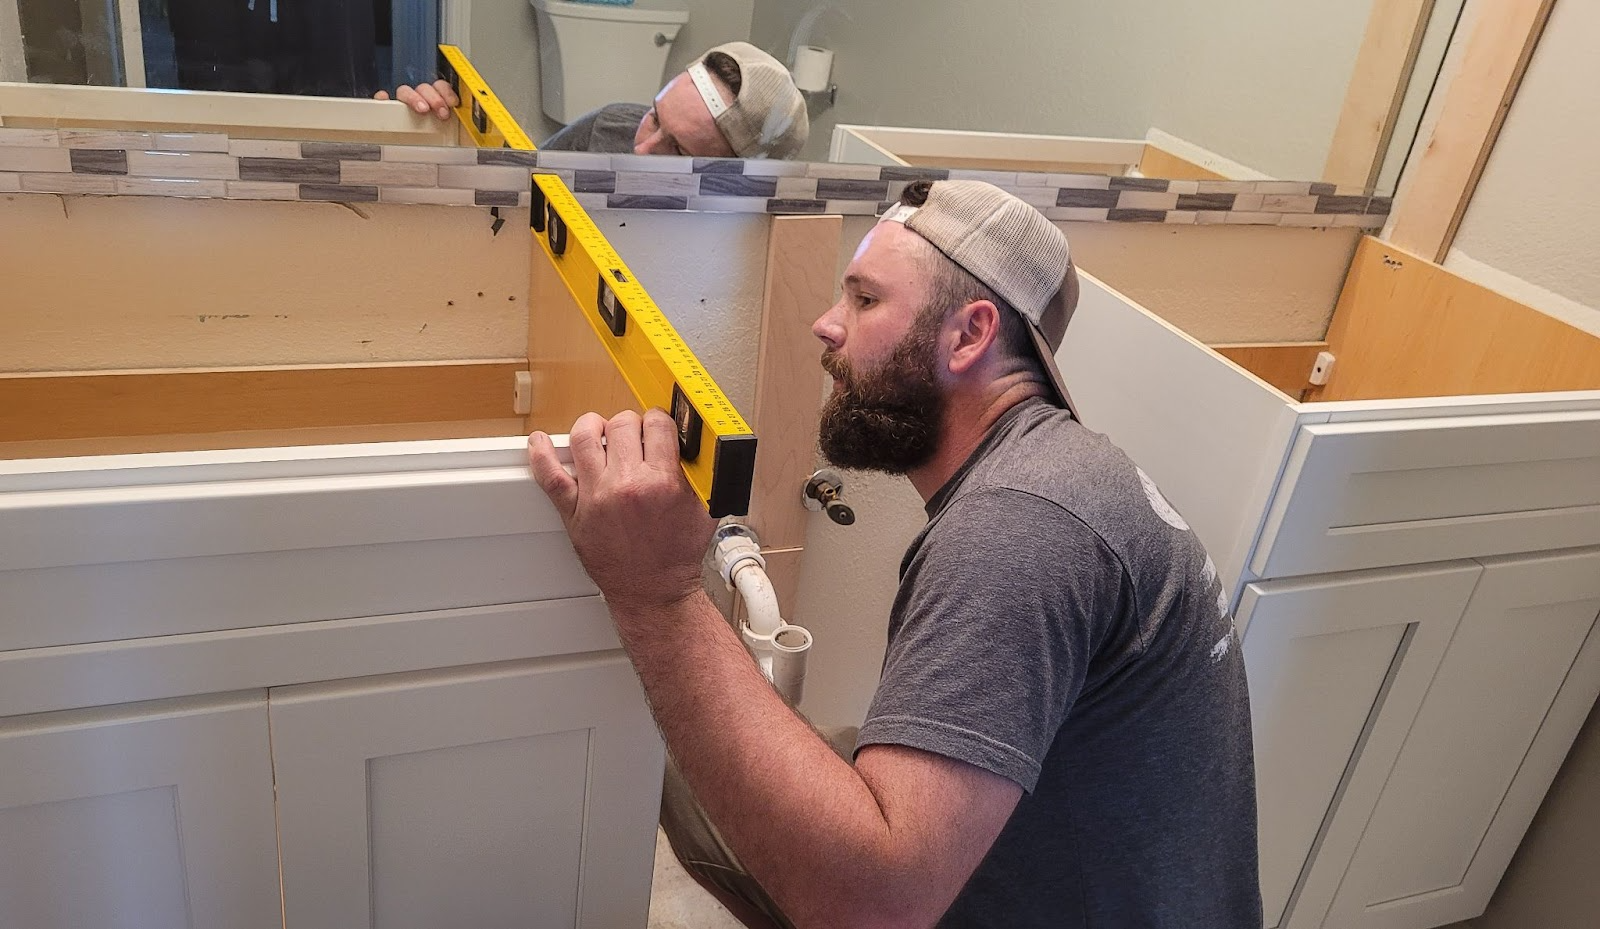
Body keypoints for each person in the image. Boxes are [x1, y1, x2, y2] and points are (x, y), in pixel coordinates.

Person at [526, 180, 1262, 928]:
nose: (825, 324)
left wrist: (657, 593)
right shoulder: (1058, 474)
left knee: (702, 777)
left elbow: (874, 907)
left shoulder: (1019, 527)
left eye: (864, 300)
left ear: (970, 336)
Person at [379, 41, 808, 158]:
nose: (640, 148)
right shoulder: (613, 126)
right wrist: (427, 136)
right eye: (656, 117)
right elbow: (516, 191)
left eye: (677, 149)